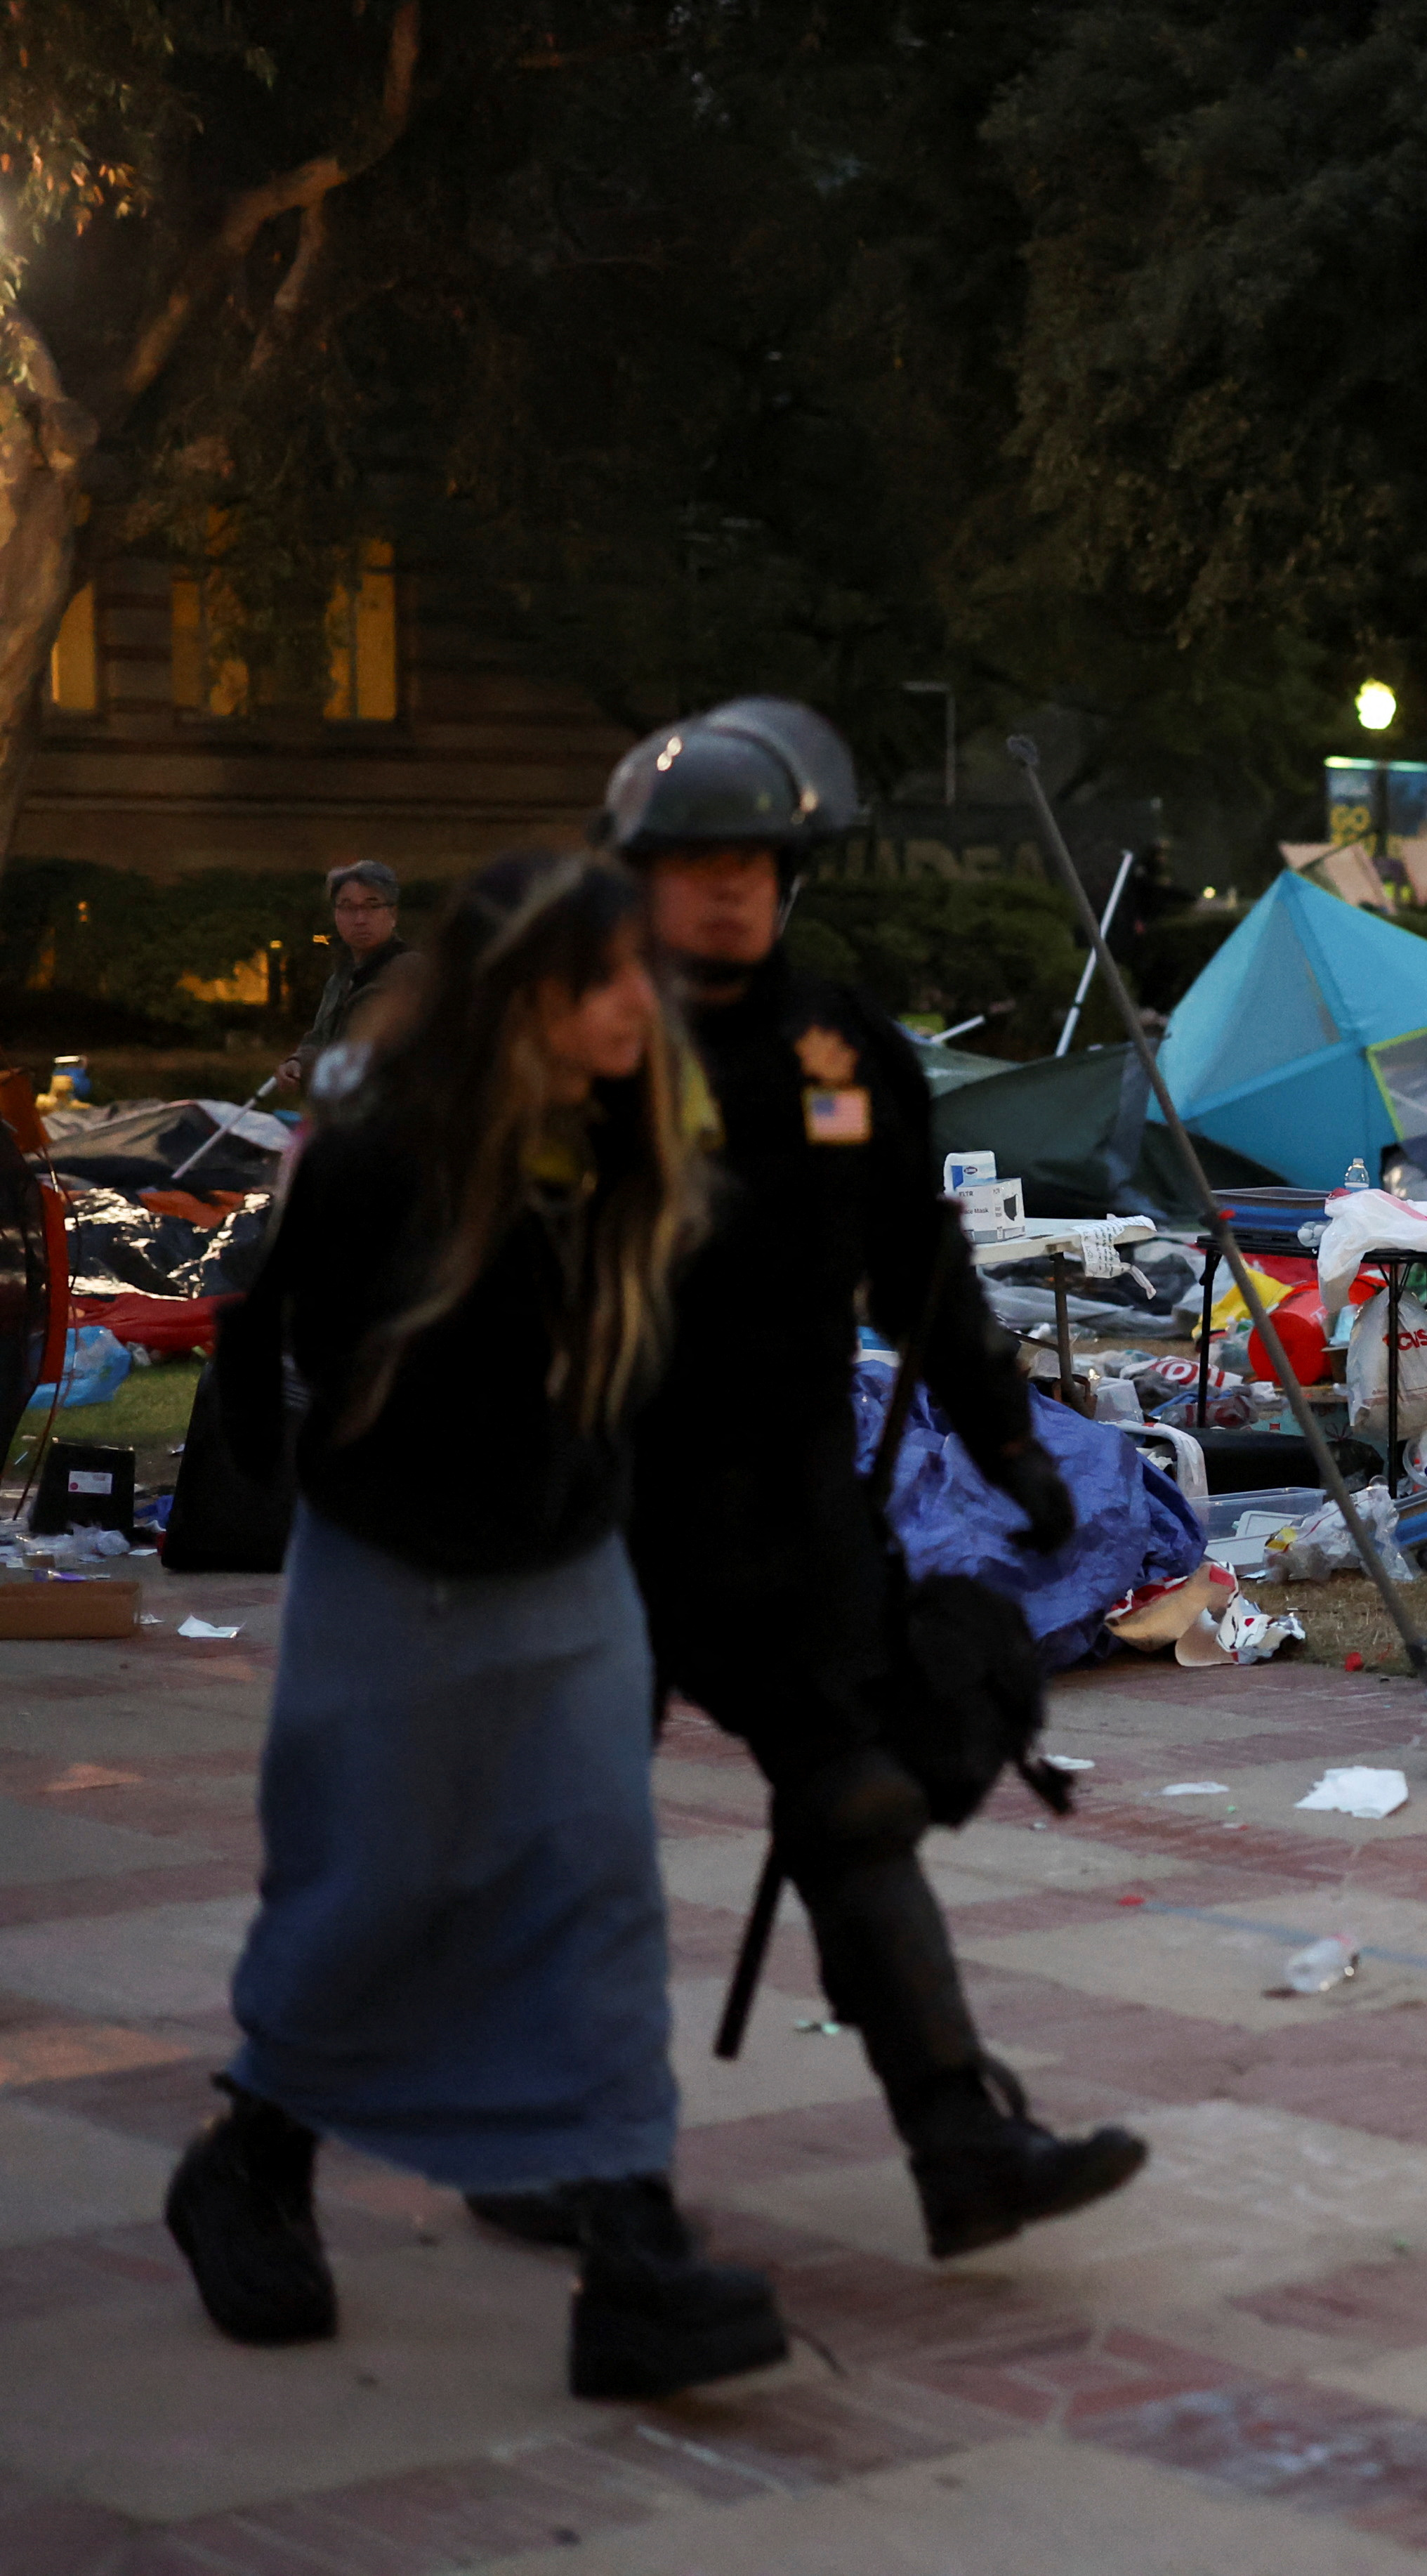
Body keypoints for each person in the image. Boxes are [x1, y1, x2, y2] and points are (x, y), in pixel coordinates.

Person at [175, 849, 786, 2399]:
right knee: (377, 1885)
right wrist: (325, 1482)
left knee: (596, 1885)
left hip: (570, 1564)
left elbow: (669, 1355)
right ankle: (250, 2163)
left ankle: (632, 2254)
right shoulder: (384, 1150)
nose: (641, 1005)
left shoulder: (641, 1132)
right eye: (608, 983)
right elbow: (264, 1340)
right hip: (394, 1566)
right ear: (527, 998)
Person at [577, 697, 1140, 2263]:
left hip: (787, 1513)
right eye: (695, 861)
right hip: (599, 1516)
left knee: (859, 1806)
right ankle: (534, 2167)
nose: (728, 886)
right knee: (562, 1845)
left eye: (756, 859)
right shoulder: (586, 1036)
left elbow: (922, 1269)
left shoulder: (843, 1048)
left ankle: (962, 2148)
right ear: (642, 871)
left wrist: (1009, 1439)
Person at [275, 861, 418, 1090]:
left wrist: (310, 1068)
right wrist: (297, 1062)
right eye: (348, 907)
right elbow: (320, 1037)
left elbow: (367, 1055)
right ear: (336, 914)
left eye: (373, 906)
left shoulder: (407, 973)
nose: (360, 919)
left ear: (393, 914)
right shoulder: (341, 977)